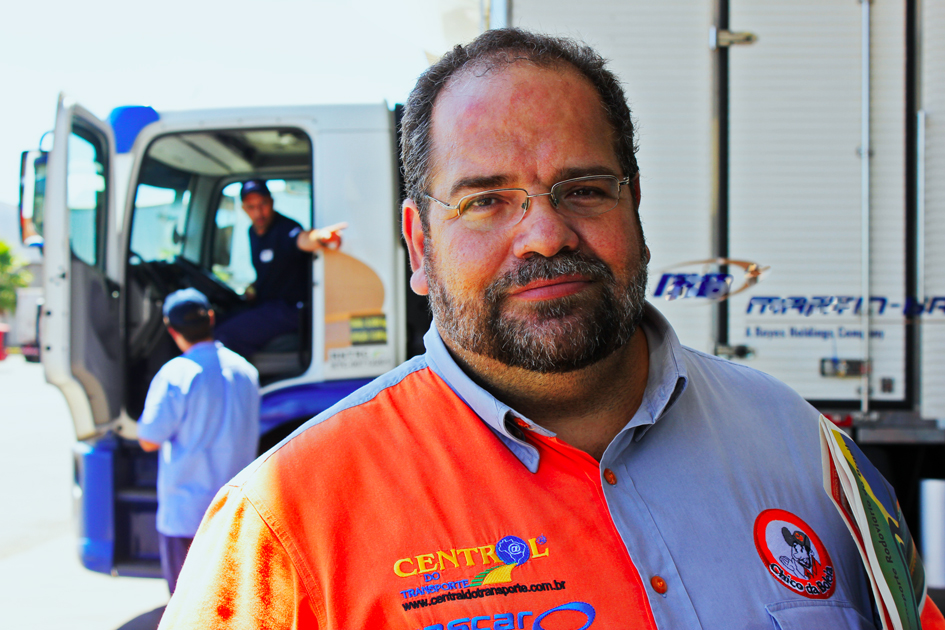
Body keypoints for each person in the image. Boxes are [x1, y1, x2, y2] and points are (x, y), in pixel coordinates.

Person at [158, 30, 945, 628]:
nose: (544, 235)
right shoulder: (282, 524)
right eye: (486, 200)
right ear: (418, 245)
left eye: (583, 188)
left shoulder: (809, 452)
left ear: (633, 208)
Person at [137, 288, 260, 594]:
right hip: (236, 513)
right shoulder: (246, 371)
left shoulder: (176, 374)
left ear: (171, 330)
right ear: (212, 318)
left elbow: (149, 439)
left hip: (187, 515)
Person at [214, 179, 346, 358]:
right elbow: (271, 270)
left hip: (289, 310)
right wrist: (254, 288)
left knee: (224, 336)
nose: (258, 212)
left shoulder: (286, 228)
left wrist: (321, 238)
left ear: (272, 202)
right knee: (216, 322)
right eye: (251, 207)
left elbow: (302, 239)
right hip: (267, 305)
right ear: (244, 209)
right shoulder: (252, 232)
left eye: (263, 204)